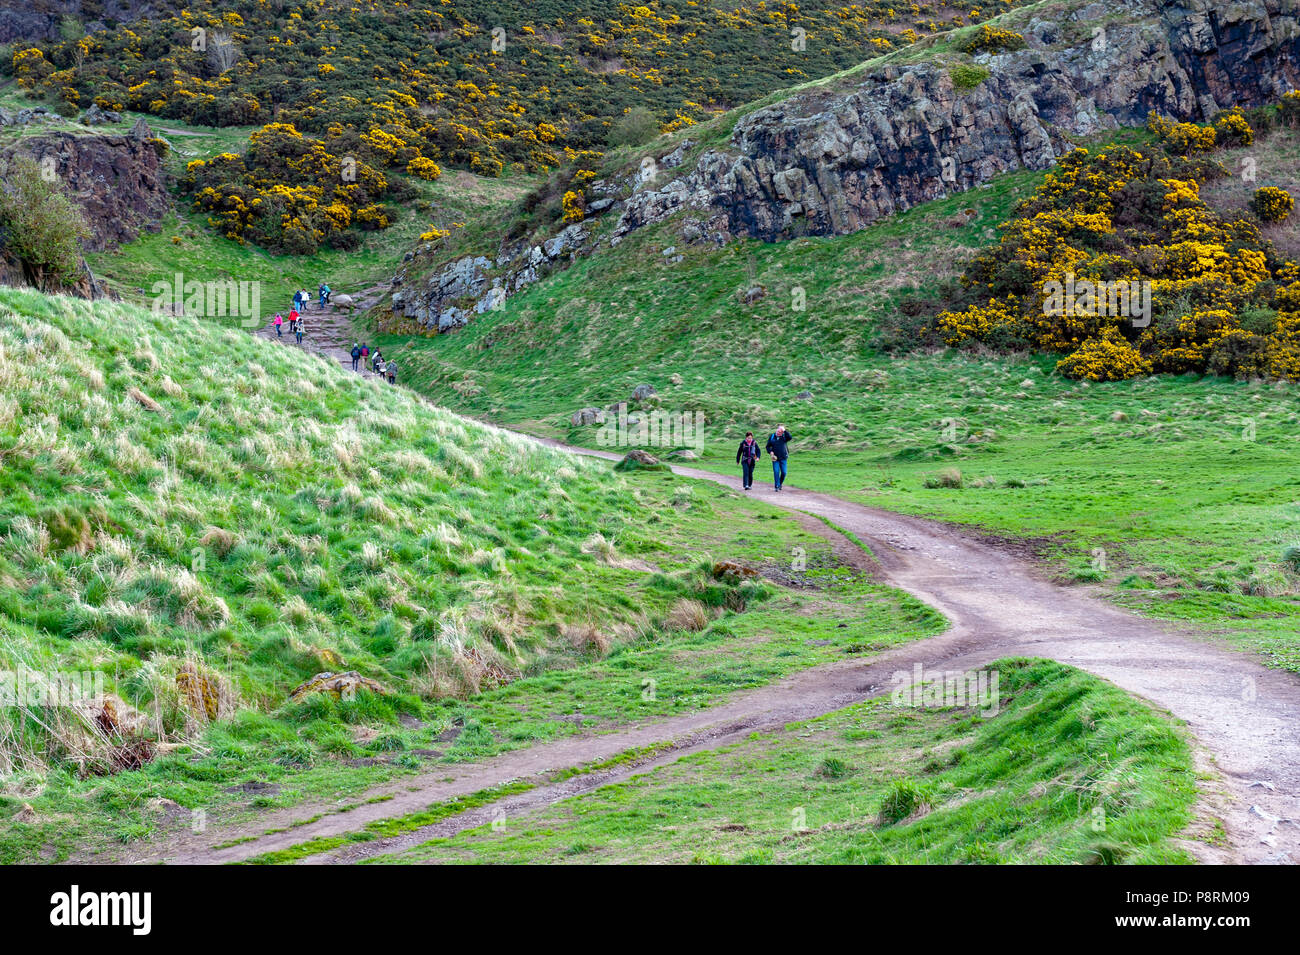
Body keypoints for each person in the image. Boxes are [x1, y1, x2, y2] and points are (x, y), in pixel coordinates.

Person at [765, 424, 793, 491]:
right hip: (775, 458)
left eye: (780, 432)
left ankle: (780, 484)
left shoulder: (784, 437)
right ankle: (777, 486)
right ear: (776, 430)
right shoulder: (772, 437)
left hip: (783, 458)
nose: (778, 433)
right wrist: (770, 452)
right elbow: (767, 446)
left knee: (784, 472)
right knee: (776, 471)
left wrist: (785, 430)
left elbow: (790, 437)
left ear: (782, 432)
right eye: (778, 431)